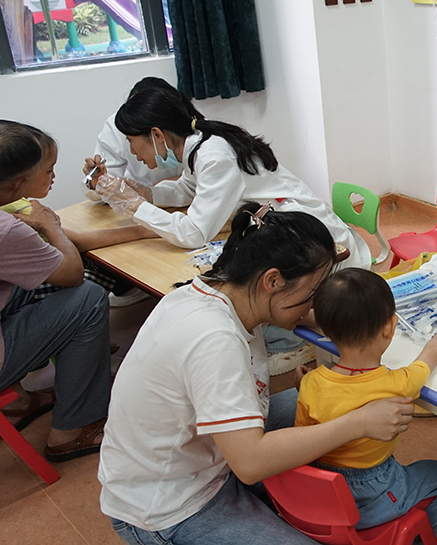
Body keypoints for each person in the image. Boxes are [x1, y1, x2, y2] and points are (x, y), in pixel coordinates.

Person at [98, 203, 415, 545]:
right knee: (348, 412)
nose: (313, 306)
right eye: (311, 295)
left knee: (332, 401)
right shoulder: (214, 339)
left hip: (205, 459)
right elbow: (249, 462)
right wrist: (358, 424)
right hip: (170, 505)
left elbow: (291, 311)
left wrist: (339, 318)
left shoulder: (215, 296)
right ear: (273, 280)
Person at [90, 87, 372, 270]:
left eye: (131, 141)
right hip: (286, 225)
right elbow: (191, 188)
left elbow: (194, 233)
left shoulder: (213, 155)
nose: (131, 151)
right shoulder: (198, 143)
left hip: (312, 241)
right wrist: (148, 194)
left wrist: (136, 206)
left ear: (157, 134)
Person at [295, 268, 437, 538]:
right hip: (376, 492)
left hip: (324, 496)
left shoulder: (311, 382)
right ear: (390, 327)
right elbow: (433, 350)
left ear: (325, 329)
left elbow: (303, 439)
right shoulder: (398, 383)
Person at [0, 120, 111, 461]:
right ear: (19, 183)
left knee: (24, 286)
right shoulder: (8, 227)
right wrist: (50, 225)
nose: (52, 177)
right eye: (47, 170)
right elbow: (72, 273)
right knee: (89, 298)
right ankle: (71, 430)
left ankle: (19, 398)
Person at [3, 124, 157, 302]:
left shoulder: (15, 203)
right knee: (96, 276)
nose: (54, 176)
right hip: (27, 290)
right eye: (49, 170)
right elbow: (78, 244)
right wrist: (142, 231)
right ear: (23, 177)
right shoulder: (21, 212)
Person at [81, 76, 195, 196]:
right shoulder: (116, 127)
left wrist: (160, 188)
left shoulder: (193, 128)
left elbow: (196, 184)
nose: (133, 151)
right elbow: (108, 186)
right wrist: (98, 183)